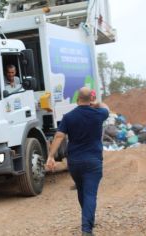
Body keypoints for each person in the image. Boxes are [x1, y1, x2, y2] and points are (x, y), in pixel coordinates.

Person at [46, 87, 109, 236]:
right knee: (90, 194)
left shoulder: (68, 117)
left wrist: (50, 156)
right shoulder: (99, 114)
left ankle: (88, 220)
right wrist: (97, 103)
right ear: (91, 99)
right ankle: (86, 229)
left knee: (82, 191)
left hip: (74, 162)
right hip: (93, 161)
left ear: (76, 99)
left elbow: (59, 137)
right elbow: (107, 107)